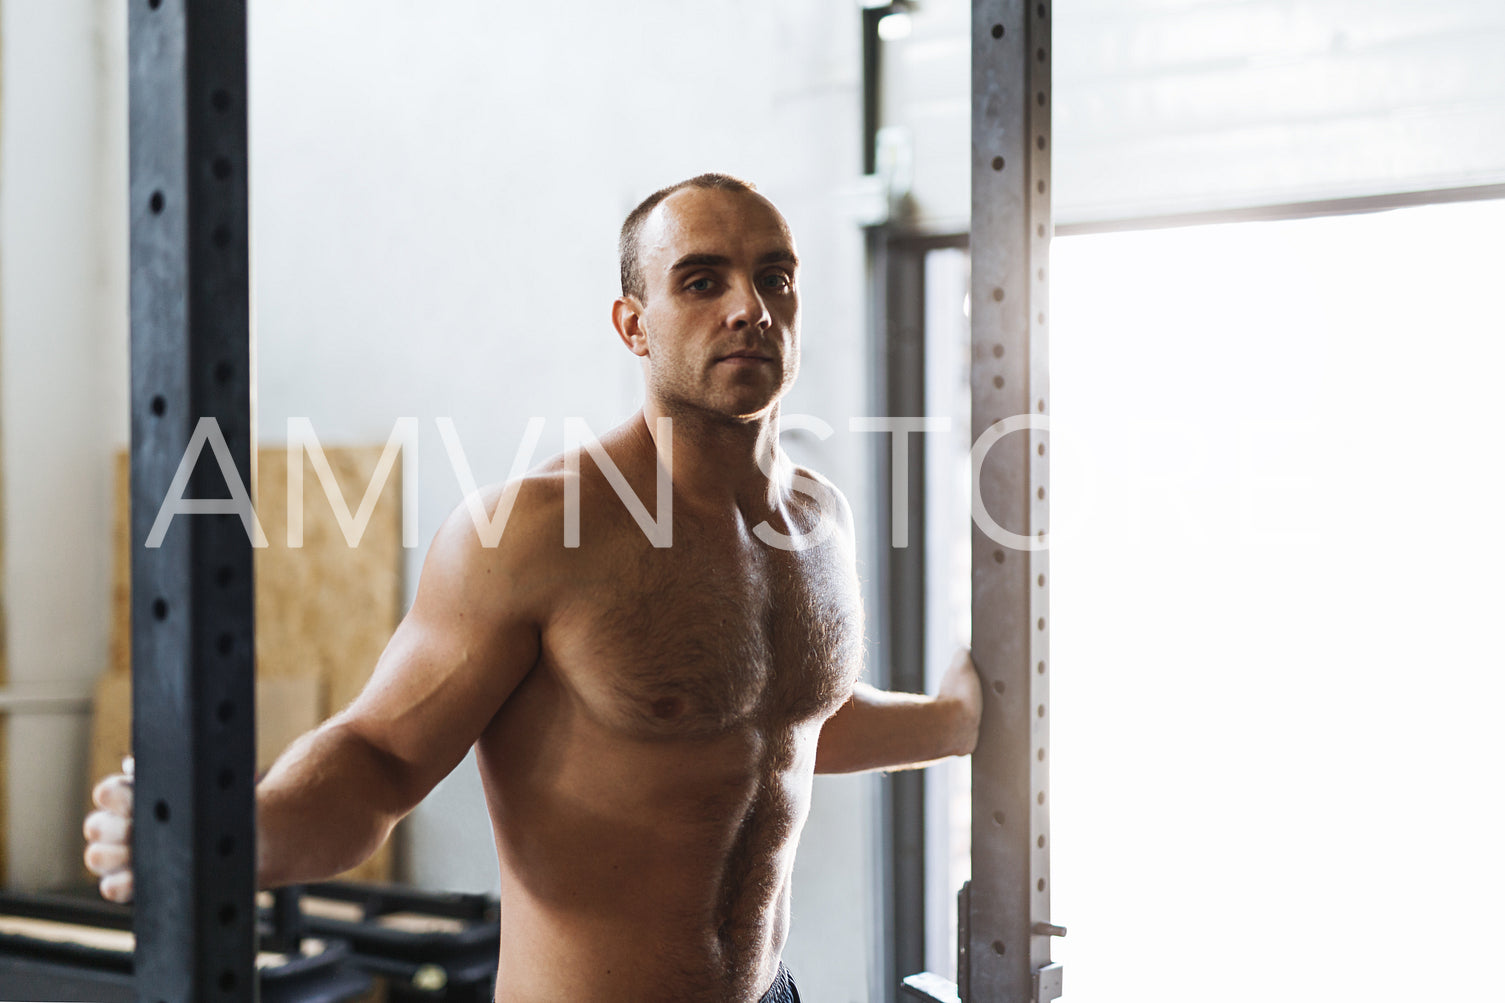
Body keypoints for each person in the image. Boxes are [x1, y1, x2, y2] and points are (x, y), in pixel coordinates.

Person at [85, 173, 983, 1003]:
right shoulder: (532, 531)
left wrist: (954, 722)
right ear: (633, 324)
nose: (749, 308)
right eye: (702, 281)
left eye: (774, 277)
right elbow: (381, 759)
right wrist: (234, 833)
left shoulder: (817, 520)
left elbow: (782, 718)